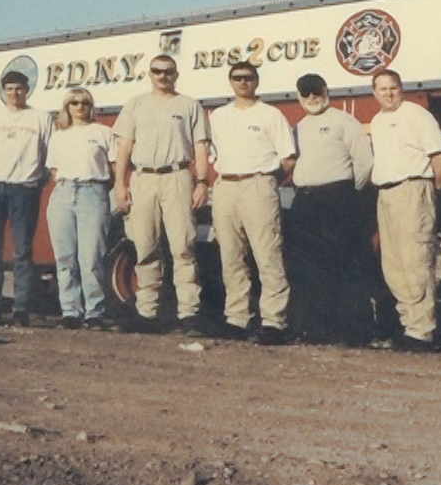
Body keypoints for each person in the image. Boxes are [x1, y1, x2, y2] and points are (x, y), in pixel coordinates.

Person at [111, 53, 211, 333]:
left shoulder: (189, 105)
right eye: (157, 71)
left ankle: (189, 314)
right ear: (150, 74)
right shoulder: (135, 105)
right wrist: (120, 184)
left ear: (176, 75)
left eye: (168, 72)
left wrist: (201, 182)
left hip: (177, 176)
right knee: (144, 245)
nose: (162, 76)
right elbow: (124, 148)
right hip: (143, 177)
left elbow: (200, 147)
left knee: (183, 246)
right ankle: (147, 312)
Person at [206, 62, 297, 344]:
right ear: (230, 82)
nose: (243, 83)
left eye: (248, 78)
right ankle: (237, 318)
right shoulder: (218, 116)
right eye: (237, 78)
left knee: (267, 254)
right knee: (230, 256)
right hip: (226, 186)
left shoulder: (271, 114)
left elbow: (288, 158)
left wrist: (268, 181)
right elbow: (213, 153)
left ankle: (274, 321)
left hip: (259, 183)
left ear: (257, 81)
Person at [286, 73, 377, 345]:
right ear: (299, 97)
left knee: (347, 265)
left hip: (339, 200)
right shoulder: (299, 127)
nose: (312, 98)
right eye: (306, 94)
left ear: (327, 91)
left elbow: (365, 163)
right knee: (309, 268)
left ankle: (353, 332)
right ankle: (316, 329)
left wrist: (349, 193)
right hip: (305, 202)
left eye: (317, 92)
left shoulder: (344, 121)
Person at [367, 69, 441, 351]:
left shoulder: (417, 115)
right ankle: (409, 326)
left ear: (401, 89)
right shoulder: (377, 121)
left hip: (413, 187)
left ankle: (423, 330)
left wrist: (432, 191)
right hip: (386, 192)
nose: (388, 94)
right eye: (382, 89)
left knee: (415, 259)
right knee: (394, 264)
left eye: (393, 88)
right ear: (374, 93)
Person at [0, 70, 53, 326]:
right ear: (3, 91)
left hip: (25, 189)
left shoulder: (40, 118)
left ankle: (21, 308)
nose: (14, 93)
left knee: (22, 251)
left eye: (19, 88)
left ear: (27, 90)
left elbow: (48, 152)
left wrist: (35, 178)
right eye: (9, 89)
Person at [44, 88, 117, 330]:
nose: (79, 107)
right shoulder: (58, 136)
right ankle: (70, 311)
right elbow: (54, 171)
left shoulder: (103, 132)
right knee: (64, 257)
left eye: (85, 102)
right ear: (67, 107)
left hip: (93, 192)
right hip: (63, 193)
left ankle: (94, 312)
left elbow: (115, 167)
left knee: (91, 257)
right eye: (74, 103)